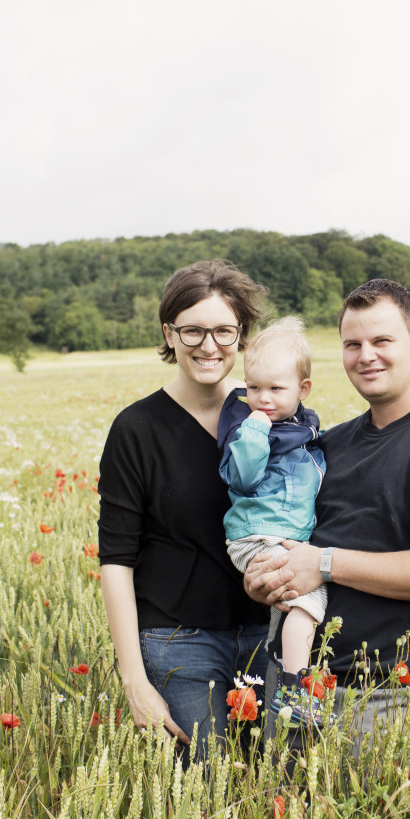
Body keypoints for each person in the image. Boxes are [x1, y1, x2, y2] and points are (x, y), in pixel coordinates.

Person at [244, 278, 410, 741]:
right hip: (292, 684)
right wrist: (269, 574)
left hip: (378, 701)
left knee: (373, 817)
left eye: (382, 340)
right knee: (278, 814)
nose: (366, 355)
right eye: (352, 344)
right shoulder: (327, 445)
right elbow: (290, 537)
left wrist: (322, 563)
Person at [97, 259, 270, 760]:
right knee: (206, 792)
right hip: (178, 643)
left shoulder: (268, 416)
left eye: (223, 330)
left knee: (276, 784)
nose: (209, 346)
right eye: (193, 330)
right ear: (169, 334)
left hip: (267, 633)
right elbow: (116, 559)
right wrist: (134, 680)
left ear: (242, 336)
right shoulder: (137, 430)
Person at [217, 317, 329, 725]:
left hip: (279, 536)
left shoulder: (303, 432)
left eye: (276, 389)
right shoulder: (249, 427)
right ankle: (296, 692)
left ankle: (277, 685)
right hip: (257, 537)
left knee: (285, 612)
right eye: (254, 387)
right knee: (308, 600)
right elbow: (242, 478)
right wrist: (255, 432)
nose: (262, 398)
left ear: (303, 390)